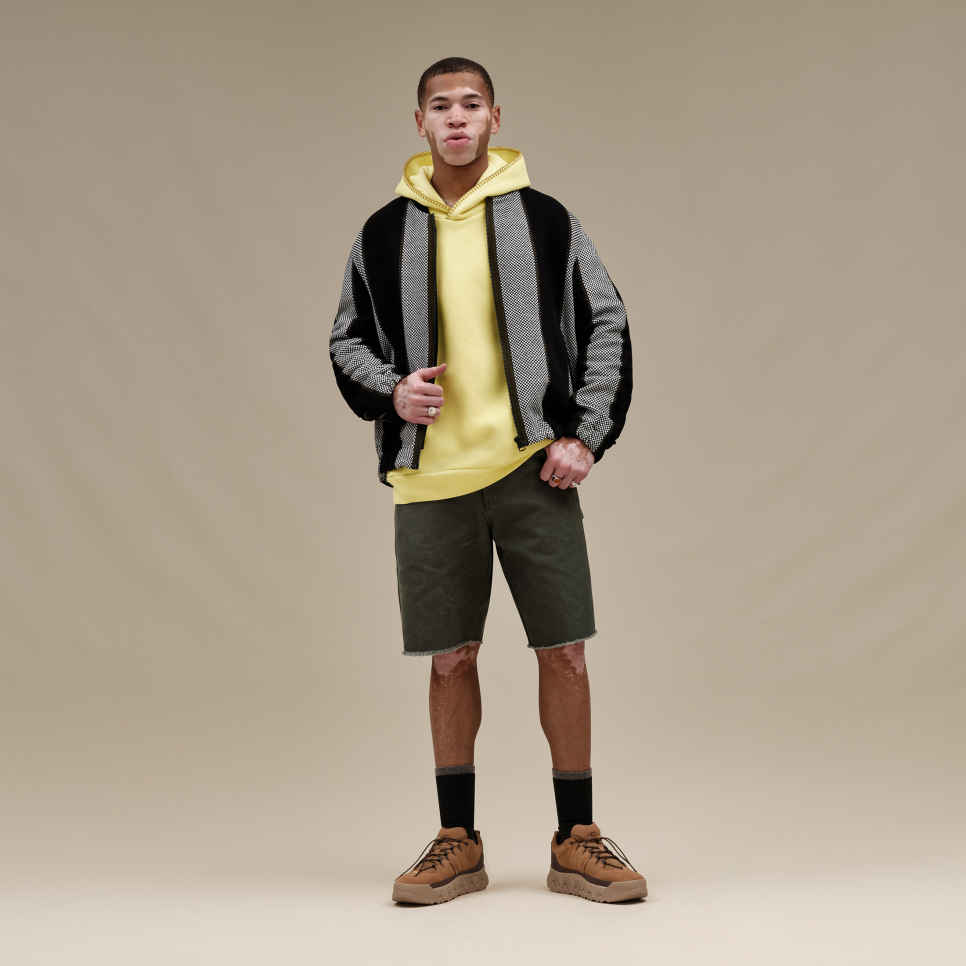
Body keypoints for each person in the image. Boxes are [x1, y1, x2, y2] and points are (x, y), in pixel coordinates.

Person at [329, 56, 646, 905]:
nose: (458, 118)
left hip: (531, 471)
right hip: (431, 480)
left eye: (472, 104)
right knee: (449, 661)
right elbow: (347, 339)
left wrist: (585, 435)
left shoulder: (544, 220)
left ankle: (578, 839)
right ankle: (456, 841)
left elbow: (606, 319)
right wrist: (392, 390)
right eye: (442, 106)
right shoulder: (383, 232)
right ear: (421, 123)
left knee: (565, 651)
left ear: (496, 118)